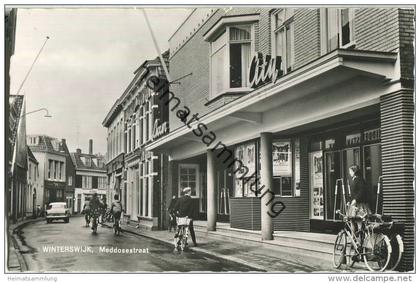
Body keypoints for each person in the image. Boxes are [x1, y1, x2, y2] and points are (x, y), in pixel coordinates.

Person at [348, 165, 371, 243]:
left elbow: (361, 191)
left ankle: (361, 240)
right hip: (354, 204)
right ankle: (353, 239)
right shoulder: (354, 179)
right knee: (352, 221)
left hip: (359, 204)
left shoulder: (359, 179)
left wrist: (356, 199)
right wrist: (350, 200)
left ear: (354, 171)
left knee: (359, 221)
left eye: (350, 171)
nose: (349, 173)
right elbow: (354, 192)